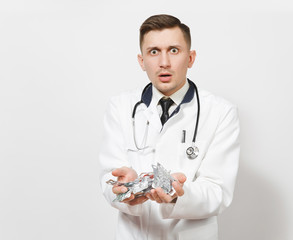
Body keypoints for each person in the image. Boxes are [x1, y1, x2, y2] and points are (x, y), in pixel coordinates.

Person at [99, 14, 240, 240]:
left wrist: (178, 196)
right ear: (141, 60)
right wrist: (122, 191)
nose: (164, 62)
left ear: (191, 58)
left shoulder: (221, 112)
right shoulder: (120, 107)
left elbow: (218, 192)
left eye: (174, 50)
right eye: (154, 52)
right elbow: (109, 180)